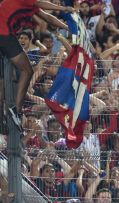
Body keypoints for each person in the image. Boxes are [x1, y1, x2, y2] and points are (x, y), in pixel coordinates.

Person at [0, 0, 75, 132]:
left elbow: (47, 17)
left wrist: (69, 28)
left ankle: (4, 122)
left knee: (2, 84)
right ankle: (16, 111)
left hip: (5, 35)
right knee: (27, 71)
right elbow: (42, 3)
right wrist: (63, 8)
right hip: (3, 35)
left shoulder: (31, 5)